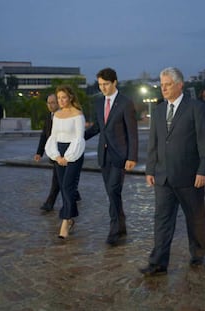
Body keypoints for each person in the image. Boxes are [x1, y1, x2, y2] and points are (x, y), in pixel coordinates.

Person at [140, 67, 205, 277]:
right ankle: (158, 263)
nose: (163, 88)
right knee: (162, 220)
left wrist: (203, 170)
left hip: (190, 176)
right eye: (161, 85)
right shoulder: (158, 110)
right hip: (163, 177)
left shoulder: (196, 108)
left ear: (180, 85)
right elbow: (153, 143)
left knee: (195, 218)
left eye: (168, 84)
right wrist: (150, 169)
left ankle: (198, 254)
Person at [85, 67, 138, 246]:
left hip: (120, 155)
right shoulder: (99, 103)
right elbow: (97, 128)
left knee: (114, 190)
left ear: (115, 82)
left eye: (106, 84)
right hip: (104, 155)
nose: (103, 88)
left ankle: (114, 229)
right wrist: (78, 136)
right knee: (111, 192)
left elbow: (132, 133)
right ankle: (121, 224)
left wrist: (132, 157)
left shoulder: (125, 103)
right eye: (100, 85)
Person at [45, 86, 85, 239]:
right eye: (59, 98)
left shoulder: (78, 115)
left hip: (74, 152)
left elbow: (79, 138)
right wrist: (56, 156)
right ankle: (70, 218)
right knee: (63, 187)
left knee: (68, 186)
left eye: (64, 97)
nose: (60, 101)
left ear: (70, 98)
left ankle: (65, 220)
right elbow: (53, 136)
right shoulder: (56, 115)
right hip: (58, 152)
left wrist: (68, 157)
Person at [34, 94, 61, 212]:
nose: (50, 105)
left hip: (62, 153)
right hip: (53, 152)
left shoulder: (63, 117)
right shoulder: (48, 117)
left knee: (56, 178)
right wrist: (39, 152)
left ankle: (49, 203)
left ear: (58, 103)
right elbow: (44, 135)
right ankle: (75, 194)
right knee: (61, 178)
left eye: (53, 102)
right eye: (48, 103)